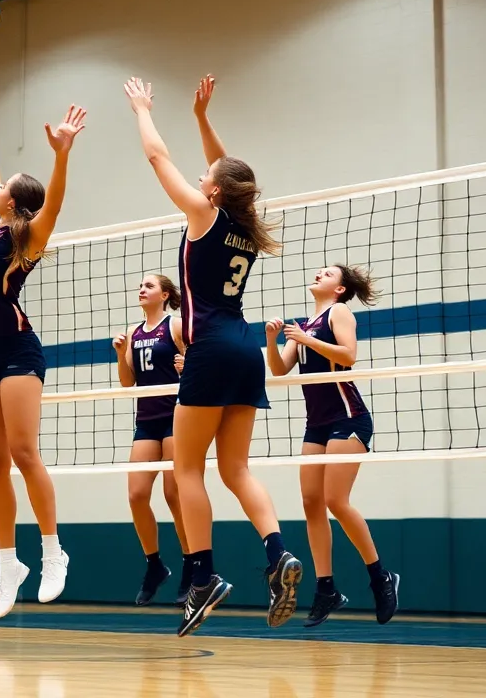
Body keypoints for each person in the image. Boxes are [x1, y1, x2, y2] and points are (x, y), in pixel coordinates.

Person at [124, 74, 300, 637]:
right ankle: (277, 554)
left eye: (206, 179)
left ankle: (201, 576)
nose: (201, 179)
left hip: (210, 349)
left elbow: (157, 157)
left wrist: (143, 109)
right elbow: (231, 174)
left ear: (214, 193)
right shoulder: (244, 226)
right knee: (236, 469)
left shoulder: (204, 216)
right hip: (246, 347)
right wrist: (202, 119)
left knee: (186, 468)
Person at [0, 56, 85, 618]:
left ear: (15, 200)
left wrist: (61, 156)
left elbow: (53, 206)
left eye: (6, 185)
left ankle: (53, 551)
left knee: (23, 450)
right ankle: (10, 561)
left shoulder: (24, 239)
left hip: (17, 350)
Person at [265, 264, 400, 627]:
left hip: (348, 417)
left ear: (339, 290)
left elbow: (348, 355)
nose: (318, 275)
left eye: (327, 274)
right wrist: (273, 341)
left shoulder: (338, 312)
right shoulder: (303, 326)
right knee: (311, 503)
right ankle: (326, 588)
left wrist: (306, 340)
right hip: (318, 424)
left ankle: (380, 576)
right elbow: (279, 371)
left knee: (335, 501)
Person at [113, 274, 189, 607]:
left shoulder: (175, 326)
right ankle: (155, 564)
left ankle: (192, 563)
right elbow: (128, 382)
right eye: (141, 286)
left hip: (175, 416)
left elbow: (198, 364)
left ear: (165, 294)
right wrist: (119, 354)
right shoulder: (133, 332)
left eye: (149, 286)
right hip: (146, 421)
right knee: (137, 493)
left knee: (174, 494)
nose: (141, 290)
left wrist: (188, 366)